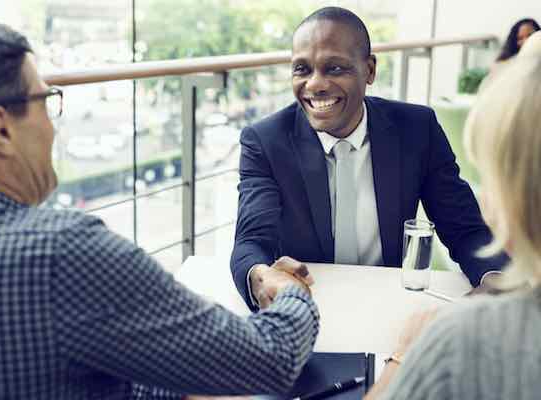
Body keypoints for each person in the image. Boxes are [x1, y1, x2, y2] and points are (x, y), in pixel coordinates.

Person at [0, 18, 319, 400]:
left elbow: (58, 374)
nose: (53, 126)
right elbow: (270, 360)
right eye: (45, 100)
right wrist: (291, 293)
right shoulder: (58, 253)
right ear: (0, 129)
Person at [230, 7, 507, 310]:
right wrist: (261, 276)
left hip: (388, 305)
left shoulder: (417, 129)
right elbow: (251, 241)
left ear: (370, 70)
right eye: (302, 69)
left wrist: (495, 278)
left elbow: (464, 229)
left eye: (335, 68)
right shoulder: (265, 141)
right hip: (302, 308)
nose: (315, 84)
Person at [364, 47, 541, 400]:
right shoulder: (266, 138)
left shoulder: (461, 343)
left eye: (488, 176)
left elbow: (465, 228)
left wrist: (404, 355)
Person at [479, 18, 540, 92]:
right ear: (514, 41)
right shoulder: (503, 65)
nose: (526, 40)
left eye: (530, 35)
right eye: (520, 38)